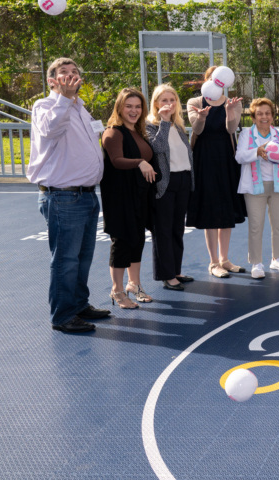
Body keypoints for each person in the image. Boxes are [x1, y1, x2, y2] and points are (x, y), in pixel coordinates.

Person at [28, 57, 109, 333]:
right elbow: (50, 130)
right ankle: (63, 316)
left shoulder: (81, 109)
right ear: (52, 81)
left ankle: (78, 304)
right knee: (66, 260)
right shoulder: (44, 106)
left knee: (83, 258)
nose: (71, 75)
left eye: (74, 71)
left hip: (87, 195)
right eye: (64, 72)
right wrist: (64, 98)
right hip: (63, 197)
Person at [100, 88, 159, 309]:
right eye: (129, 106)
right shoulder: (113, 133)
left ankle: (134, 284)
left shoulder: (138, 131)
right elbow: (116, 160)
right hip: (120, 198)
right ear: (119, 108)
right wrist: (139, 162)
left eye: (138, 106)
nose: (134, 111)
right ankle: (117, 291)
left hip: (139, 196)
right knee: (122, 242)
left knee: (137, 240)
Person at [186, 66, 246, 278]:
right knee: (209, 210)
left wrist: (230, 111)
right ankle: (213, 263)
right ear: (207, 80)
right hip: (204, 160)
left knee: (225, 209)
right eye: (212, 78)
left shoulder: (233, 102)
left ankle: (224, 259)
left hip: (226, 159)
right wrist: (202, 116)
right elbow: (197, 129)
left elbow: (231, 129)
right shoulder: (194, 102)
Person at [235, 97, 279, 279]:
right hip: (254, 187)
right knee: (256, 226)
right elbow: (239, 157)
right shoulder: (246, 134)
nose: (264, 117)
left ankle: (277, 259)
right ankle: (256, 263)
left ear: (272, 116)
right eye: (259, 114)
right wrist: (257, 152)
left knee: (278, 224)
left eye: (267, 113)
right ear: (253, 117)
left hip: (278, 185)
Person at [146, 84, 195, 292]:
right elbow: (158, 148)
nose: (169, 104)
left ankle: (175, 270)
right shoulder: (150, 125)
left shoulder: (179, 126)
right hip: (165, 184)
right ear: (156, 104)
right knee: (163, 230)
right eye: (164, 100)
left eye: (172, 100)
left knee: (177, 229)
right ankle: (166, 275)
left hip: (183, 181)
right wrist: (164, 122)